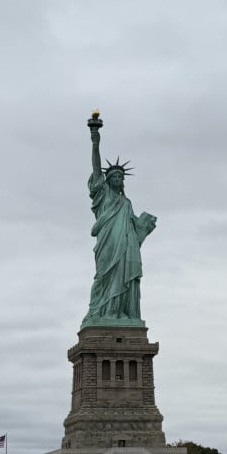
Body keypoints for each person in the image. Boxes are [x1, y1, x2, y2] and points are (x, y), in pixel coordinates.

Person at [82, 112, 156, 326]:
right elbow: (96, 168)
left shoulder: (126, 203)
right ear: (107, 180)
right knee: (104, 276)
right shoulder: (103, 194)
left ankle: (121, 313)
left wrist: (144, 227)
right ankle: (101, 311)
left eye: (119, 177)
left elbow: (134, 230)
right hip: (107, 242)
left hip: (125, 246)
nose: (116, 179)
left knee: (124, 275)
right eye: (113, 176)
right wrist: (95, 139)